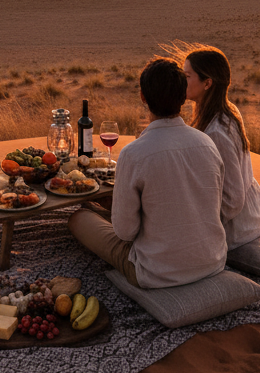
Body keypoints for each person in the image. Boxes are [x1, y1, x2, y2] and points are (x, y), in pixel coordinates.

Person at [68, 57, 227, 287]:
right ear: (183, 97)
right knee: (101, 209)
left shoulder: (134, 153)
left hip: (156, 272)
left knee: (79, 218)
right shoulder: (207, 143)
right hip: (213, 261)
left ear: (143, 96)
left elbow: (125, 232)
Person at [183, 45, 260, 250]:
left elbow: (233, 199)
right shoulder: (226, 110)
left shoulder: (216, 133)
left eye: (187, 76)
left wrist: (201, 224)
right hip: (248, 215)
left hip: (237, 229)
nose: (180, 81)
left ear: (207, 83)